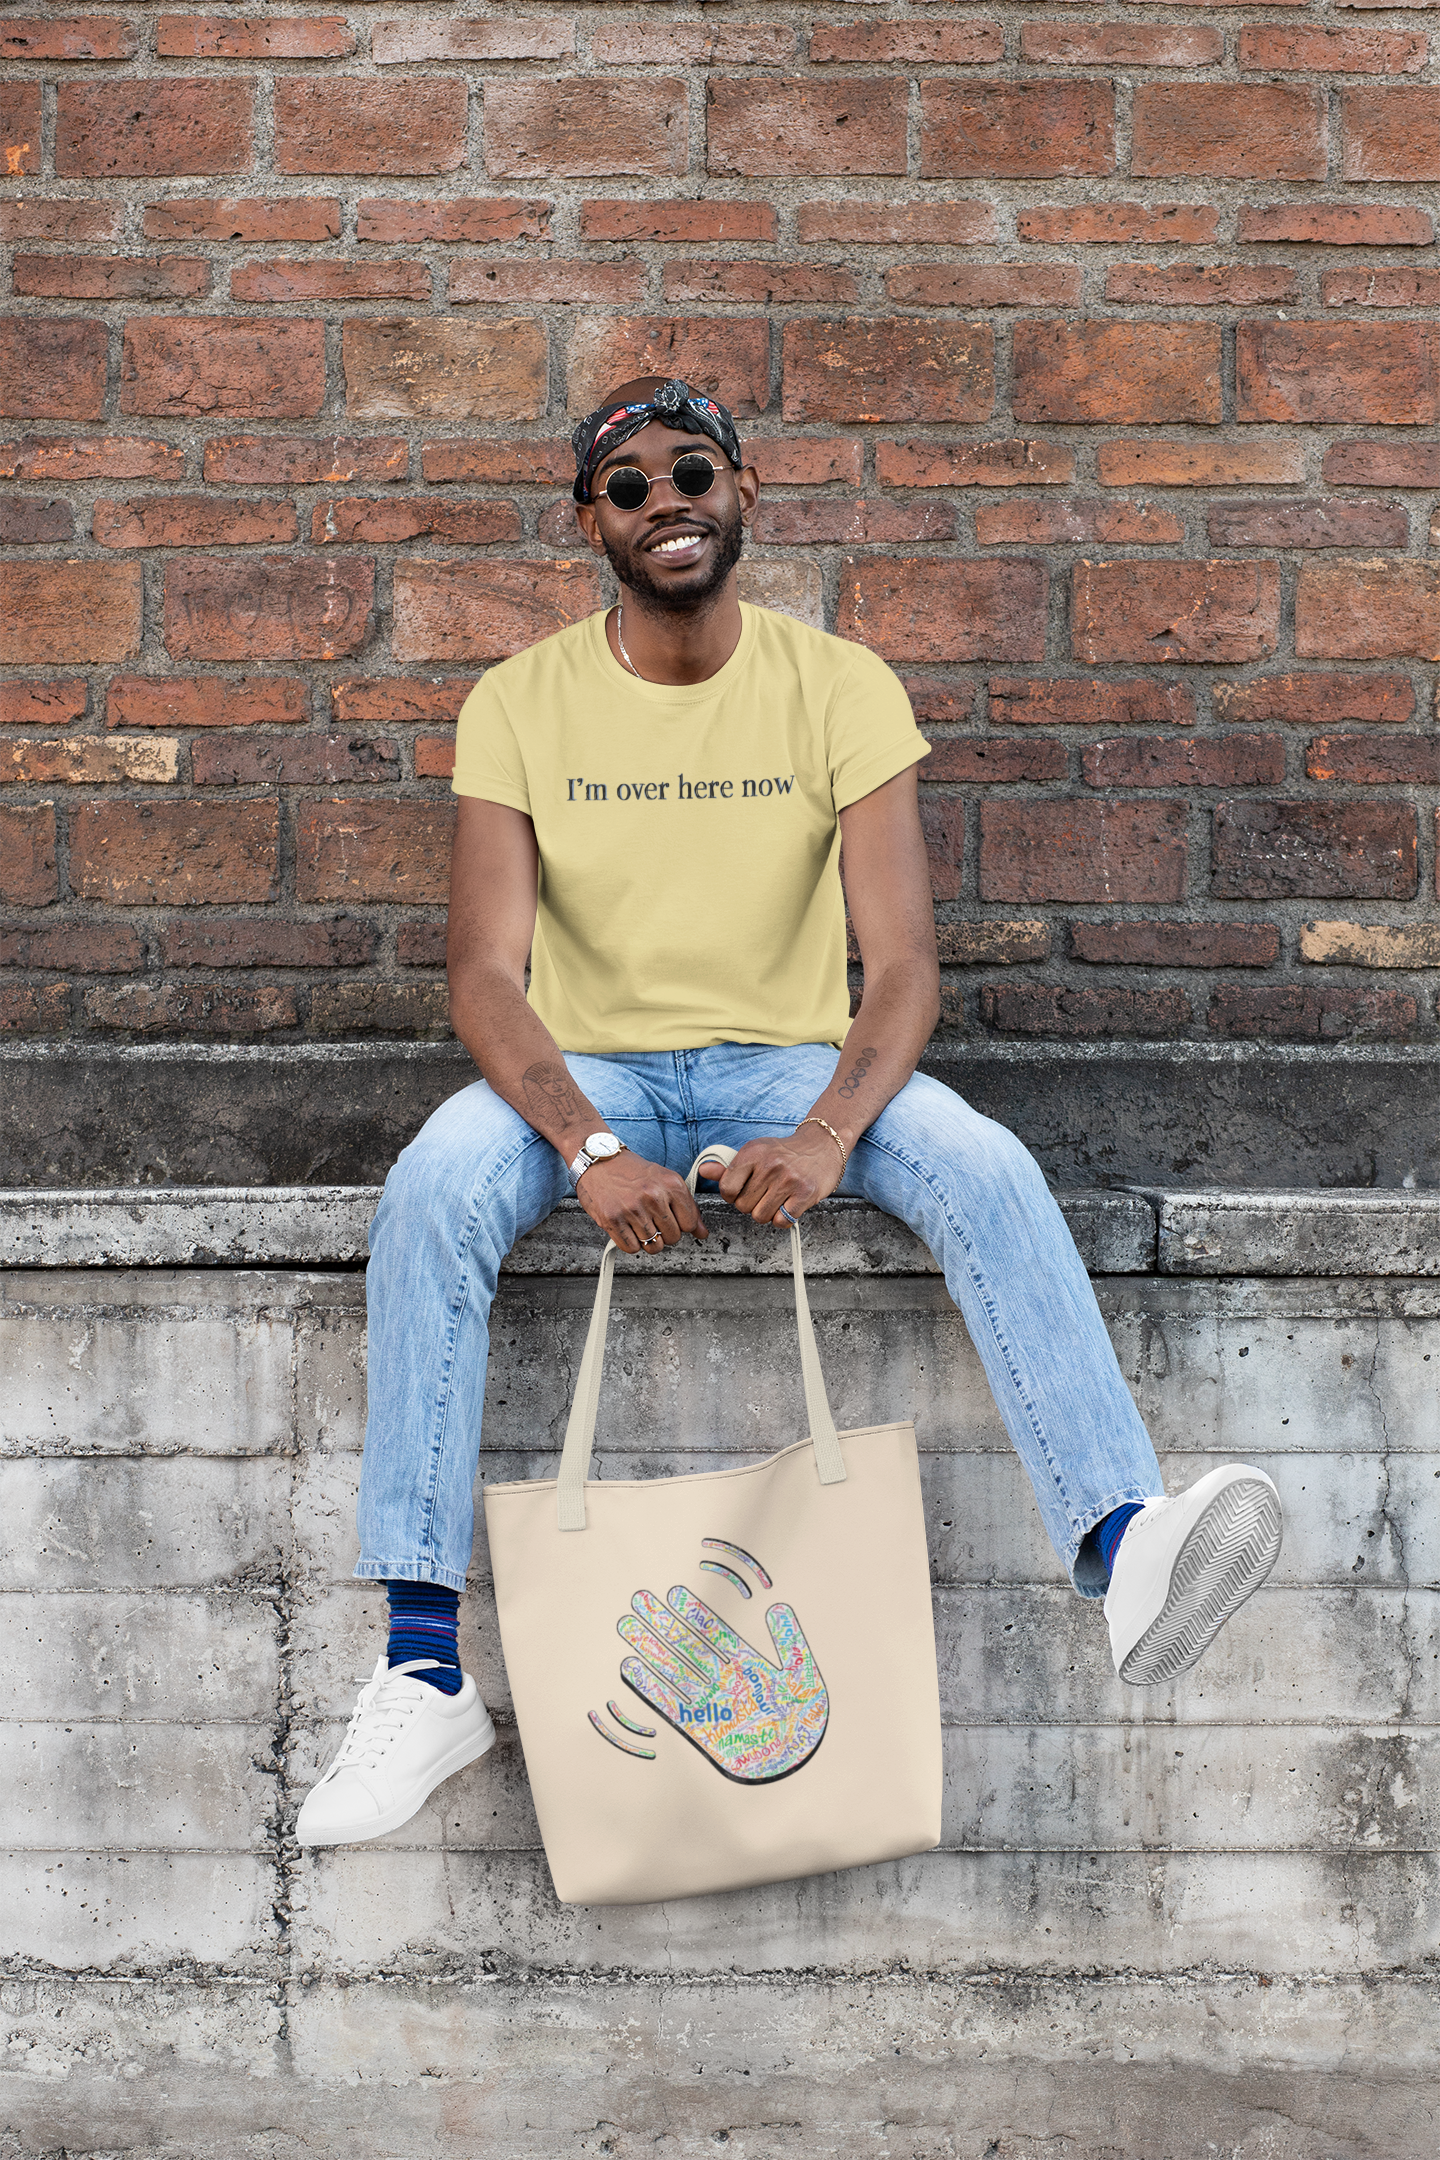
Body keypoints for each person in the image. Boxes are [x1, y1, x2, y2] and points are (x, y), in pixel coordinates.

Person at [295, 376, 1283, 1847]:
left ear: (747, 491)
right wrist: (593, 1146)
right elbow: (486, 980)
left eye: (693, 471)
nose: (666, 501)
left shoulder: (839, 686)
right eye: (628, 487)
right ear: (591, 525)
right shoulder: (519, 701)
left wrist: (825, 1132)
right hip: (597, 1067)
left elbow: (903, 971)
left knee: (982, 1163)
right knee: (436, 1185)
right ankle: (424, 1666)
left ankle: (1124, 1542)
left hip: (782, 1063)